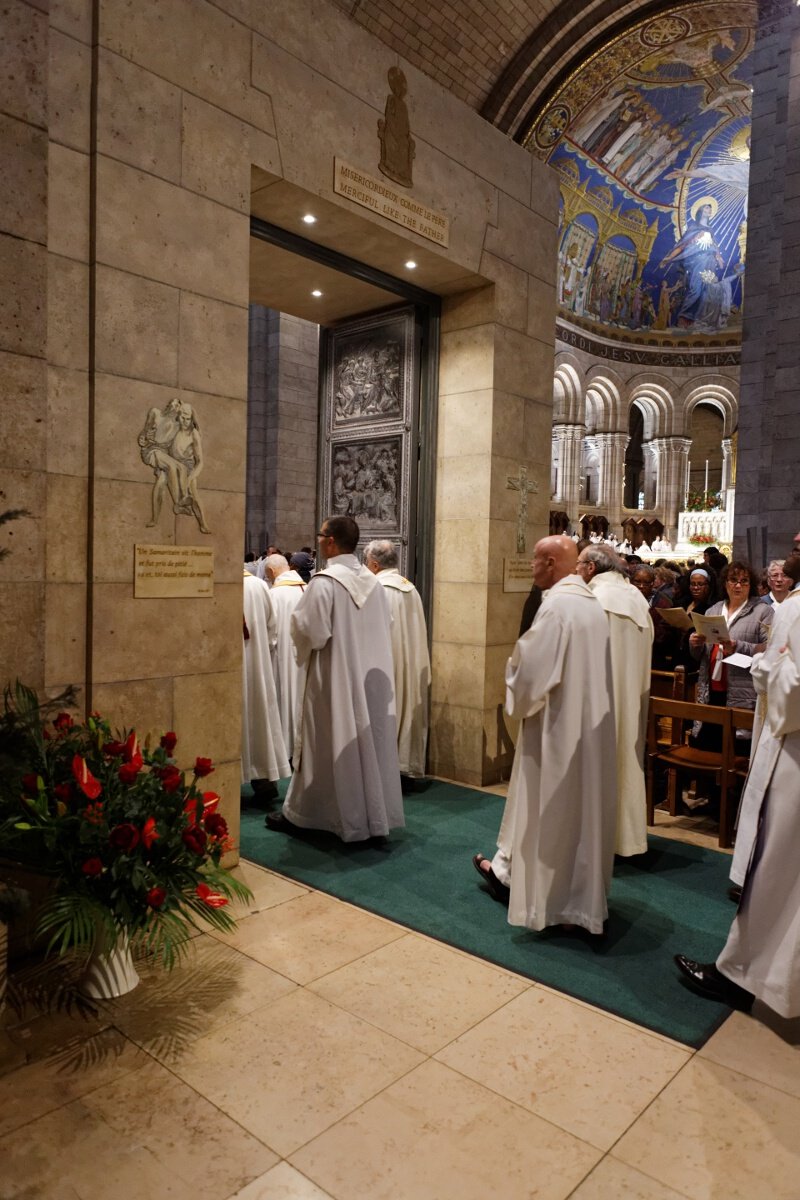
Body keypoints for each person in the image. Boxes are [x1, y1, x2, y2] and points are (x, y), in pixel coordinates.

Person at [473, 536, 617, 935]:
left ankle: (549, 900)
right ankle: (577, 896)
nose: (531, 567)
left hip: (556, 729)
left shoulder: (555, 607)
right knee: (577, 814)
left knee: (551, 811)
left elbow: (530, 675)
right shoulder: (588, 603)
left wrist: (511, 675)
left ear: (550, 563)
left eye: (535, 560)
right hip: (584, 729)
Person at [675, 557, 800, 1015]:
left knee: (777, 867)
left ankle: (741, 973)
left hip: (793, 752)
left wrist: (768, 666)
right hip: (723, 691)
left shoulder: (789, 609)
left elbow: (793, 686)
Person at [268, 516, 404, 842]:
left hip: (334, 680)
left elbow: (310, 632)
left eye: (320, 535)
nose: (318, 540)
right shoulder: (373, 582)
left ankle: (312, 815)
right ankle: (370, 816)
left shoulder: (325, 582)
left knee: (326, 744)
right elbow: (383, 625)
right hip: (369, 680)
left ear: (330, 542)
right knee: (367, 746)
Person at [577, 545, 653, 857]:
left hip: (598, 701)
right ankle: (626, 839)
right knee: (626, 760)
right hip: (631, 697)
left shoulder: (592, 599)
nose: (577, 570)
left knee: (597, 762)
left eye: (579, 564)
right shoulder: (636, 597)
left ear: (592, 568)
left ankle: (592, 838)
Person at [364, 539, 431, 779]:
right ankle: (403, 764)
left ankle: (379, 770)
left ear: (373, 565)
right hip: (410, 664)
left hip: (385, 666)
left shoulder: (375, 589)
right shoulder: (410, 588)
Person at [688, 561, 773, 750]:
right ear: (725, 583)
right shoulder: (713, 610)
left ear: (751, 585)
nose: (738, 585)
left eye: (744, 581)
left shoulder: (762, 611)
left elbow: (770, 648)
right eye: (733, 580)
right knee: (708, 746)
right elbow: (700, 656)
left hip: (741, 689)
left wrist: (738, 646)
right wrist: (695, 644)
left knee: (735, 749)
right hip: (711, 688)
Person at [242, 570, 290, 797]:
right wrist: (265, 648)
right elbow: (273, 627)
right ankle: (264, 780)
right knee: (259, 718)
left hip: (229, 665)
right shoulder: (258, 585)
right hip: (257, 664)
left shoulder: (215, 581)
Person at [264, 553, 307, 758]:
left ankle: (286, 750)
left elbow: (270, 634)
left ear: (272, 572)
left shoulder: (275, 594)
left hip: (281, 657)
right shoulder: (308, 588)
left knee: (284, 698)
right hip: (306, 658)